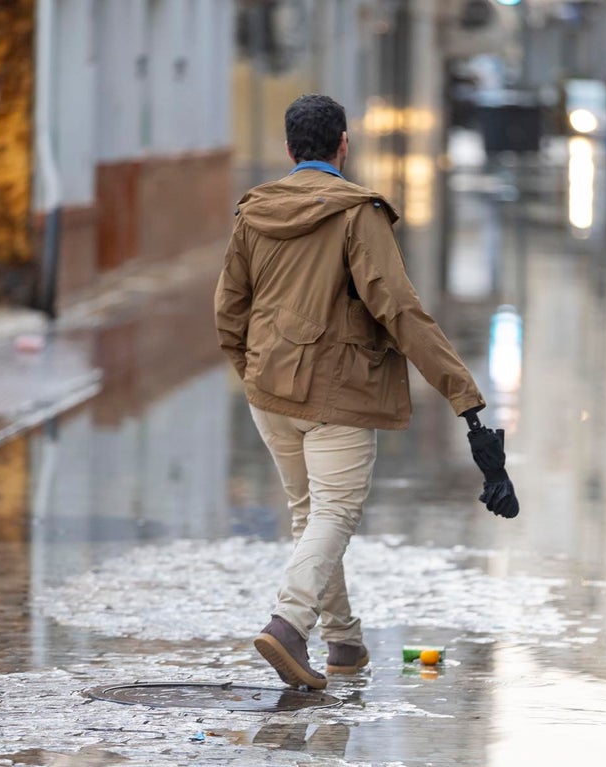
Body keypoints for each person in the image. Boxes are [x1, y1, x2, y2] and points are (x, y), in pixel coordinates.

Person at [214, 94, 486, 690]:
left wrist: (257, 372)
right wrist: (462, 392)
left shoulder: (253, 212)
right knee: (333, 513)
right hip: (337, 396)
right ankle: (289, 624)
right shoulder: (356, 214)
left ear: (290, 150)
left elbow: (228, 312)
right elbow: (401, 311)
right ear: (343, 145)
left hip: (269, 393)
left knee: (313, 515)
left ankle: (344, 644)